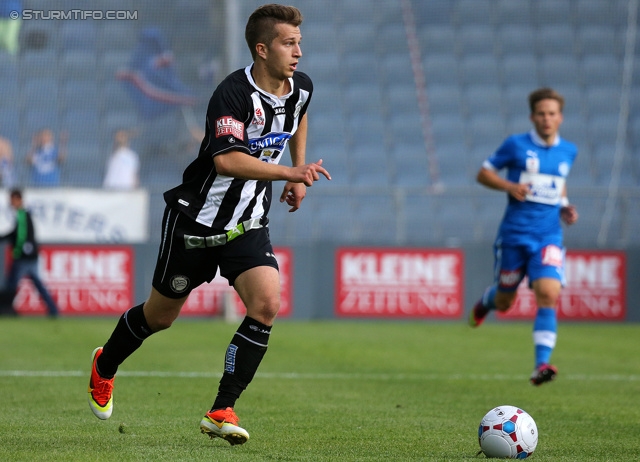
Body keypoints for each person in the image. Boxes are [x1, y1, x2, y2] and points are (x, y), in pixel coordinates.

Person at [87, 3, 330, 446]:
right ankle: (105, 364)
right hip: (194, 223)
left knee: (266, 304)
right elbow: (227, 159)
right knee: (159, 317)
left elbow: (299, 117)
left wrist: (299, 172)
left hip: (247, 223)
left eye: (299, 43)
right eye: (288, 43)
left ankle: (221, 409)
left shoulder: (302, 87)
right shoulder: (232, 93)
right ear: (262, 49)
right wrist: (290, 174)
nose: (298, 52)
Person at [469, 87, 579, 386]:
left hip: (548, 237)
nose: (547, 119)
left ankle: (541, 365)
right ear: (533, 116)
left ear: (560, 118)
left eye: (552, 114)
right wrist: (508, 186)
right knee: (505, 301)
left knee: (548, 293)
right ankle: (486, 302)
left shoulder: (568, 151)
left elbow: (559, 185)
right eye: (541, 113)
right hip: (515, 236)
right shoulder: (515, 145)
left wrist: (565, 207)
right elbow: (483, 173)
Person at [0, 188, 59, 317]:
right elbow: (18, 234)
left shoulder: (22, 214)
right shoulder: (25, 214)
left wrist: (16, 250)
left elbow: (20, 236)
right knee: (38, 285)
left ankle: (6, 308)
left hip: (24, 257)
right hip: (31, 256)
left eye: (12, 200)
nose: (11, 203)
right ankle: (54, 310)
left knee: (11, 284)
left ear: (18, 199)